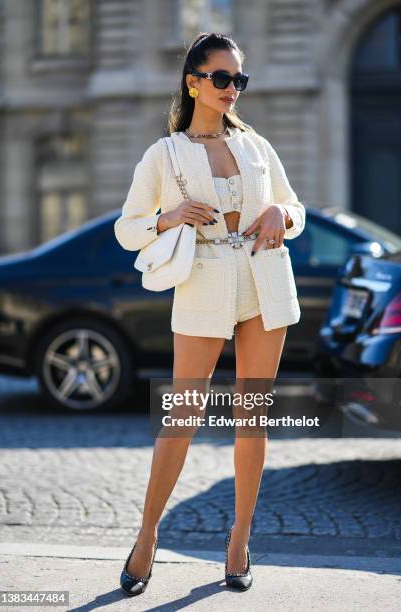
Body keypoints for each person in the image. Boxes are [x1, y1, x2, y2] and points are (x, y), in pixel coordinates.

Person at [114, 32, 306, 596]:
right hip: (201, 284)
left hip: (265, 282)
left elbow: (295, 208)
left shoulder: (256, 146)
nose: (231, 89)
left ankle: (240, 539)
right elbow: (128, 228)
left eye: (238, 79)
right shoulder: (164, 154)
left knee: (253, 418)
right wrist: (169, 216)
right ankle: (146, 535)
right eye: (221, 78)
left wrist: (278, 212)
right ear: (194, 81)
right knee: (182, 417)